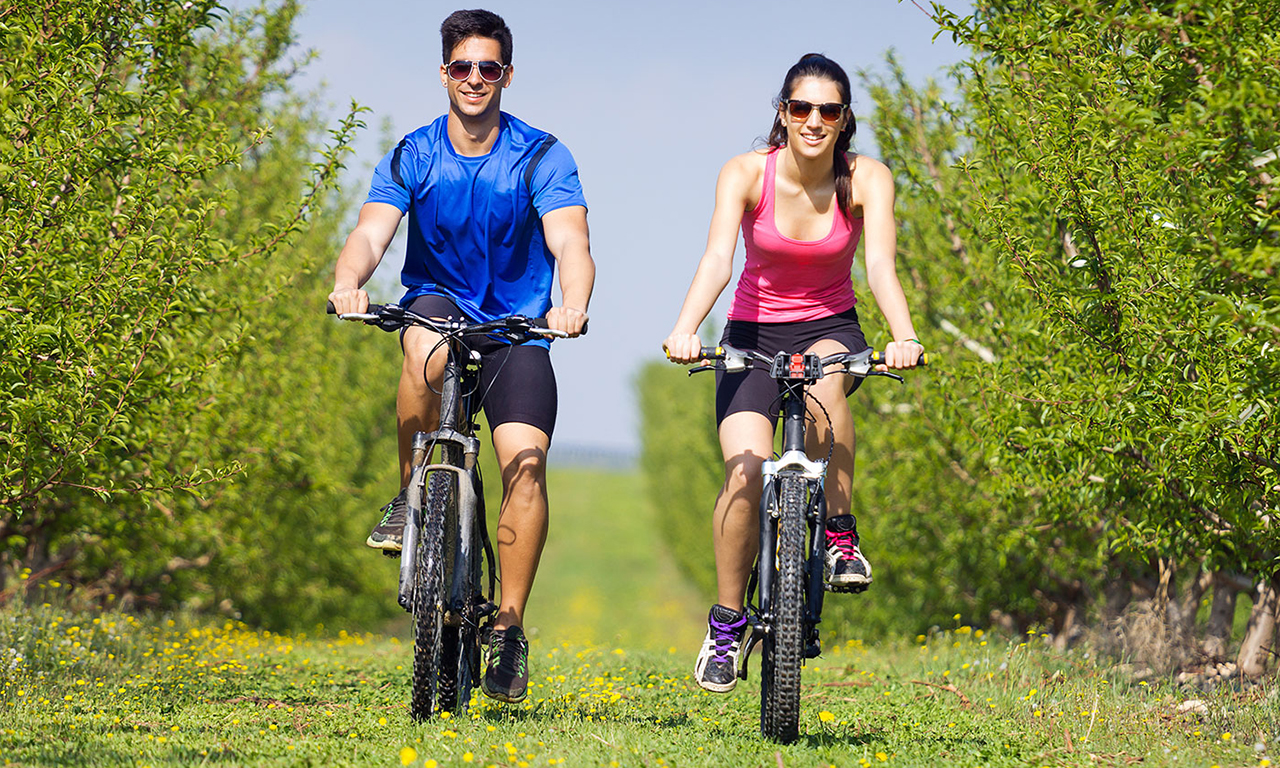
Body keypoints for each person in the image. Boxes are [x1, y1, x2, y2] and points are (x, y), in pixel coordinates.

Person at [328, 9, 594, 705]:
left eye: (488, 67)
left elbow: (571, 241)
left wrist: (571, 303)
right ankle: (411, 494)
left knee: (525, 466)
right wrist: (348, 282)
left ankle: (509, 626)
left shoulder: (541, 155)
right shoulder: (415, 153)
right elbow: (371, 233)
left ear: (507, 74)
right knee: (423, 344)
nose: (475, 78)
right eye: (462, 66)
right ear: (443, 73)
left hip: (517, 327)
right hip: (439, 303)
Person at [663, 53, 923, 693]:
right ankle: (727, 625)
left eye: (828, 111)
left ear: (844, 120)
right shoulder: (746, 172)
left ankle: (839, 533)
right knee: (744, 472)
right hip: (752, 334)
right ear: (782, 113)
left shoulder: (867, 179)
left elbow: (881, 267)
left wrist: (905, 336)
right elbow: (718, 258)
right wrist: (686, 328)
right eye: (801, 107)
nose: (813, 121)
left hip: (831, 327)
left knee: (827, 388)